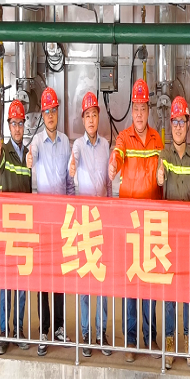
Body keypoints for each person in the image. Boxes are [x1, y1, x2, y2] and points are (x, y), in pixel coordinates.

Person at [108, 78, 164, 363]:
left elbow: (163, 174)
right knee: (131, 284)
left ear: (148, 110)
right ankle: (131, 339)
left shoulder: (157, 140)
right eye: (136, 109)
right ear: (132, 111)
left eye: (143, 108)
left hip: (152, 224)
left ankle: (150, 337)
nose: (140, 114)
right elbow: (117, 155)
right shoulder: (123, 138)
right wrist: (113, 165)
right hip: (130, 225)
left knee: (150, 284)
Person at [155, 95, 190, 369]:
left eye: (181, 122)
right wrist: (160, 177)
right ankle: (170, 342)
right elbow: (159, 178)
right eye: (174, 122)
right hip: (170, 236)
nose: (178, 127)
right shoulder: (164, 155)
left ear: (188, 123)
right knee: (171, 292)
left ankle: (189, 341)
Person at [26, 87, 74, 356]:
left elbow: (69, 181)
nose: (51, 115)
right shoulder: (37, 142)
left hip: (61, 218)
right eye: (47, 112)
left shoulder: (66, 142)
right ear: (42, 115)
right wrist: (29, 158)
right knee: (43, 276)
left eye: (54, 110)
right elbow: (30, 158)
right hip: (43, 220)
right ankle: (43, 329)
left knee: (60, 275)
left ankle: (59, 326)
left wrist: (71, 209)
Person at [69, 91, 112, 358]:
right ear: (83, 120)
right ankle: (86, 332)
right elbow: (72, 164)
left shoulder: (106, 145)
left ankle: (101, 331)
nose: (91, 120)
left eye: (94, 115)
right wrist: (72, 167)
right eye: (87, 116)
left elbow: (108, 182)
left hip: (103, 219)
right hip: (85, 221)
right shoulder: (78, 146)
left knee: (103, 282)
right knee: (86, 280)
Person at [0, 99, 32, 354]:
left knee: (22, 282)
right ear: (8, 126)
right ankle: (3, 330)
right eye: (14, 123)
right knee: (6, 281)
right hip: (7, 225)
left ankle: (17, 328)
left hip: (24, 225)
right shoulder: (3, 151)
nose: (17, 128)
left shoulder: (28, 153)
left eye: (20, 123)